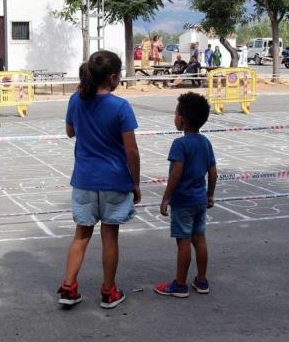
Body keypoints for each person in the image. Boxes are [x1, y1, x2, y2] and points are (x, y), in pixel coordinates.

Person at [57, 50, 141, 309]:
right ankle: (108, 291)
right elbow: (131, 150)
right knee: (109, 237)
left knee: (81, 234)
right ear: (113, 77)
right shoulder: (120, 107)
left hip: (83, 179)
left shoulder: (75, 99)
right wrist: (135, 183)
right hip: (114, 180)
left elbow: (70, 132)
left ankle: (68, 287)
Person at [154, 92, 217, 298]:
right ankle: (201, 280)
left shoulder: (180, 144)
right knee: (199, 239)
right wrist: (210, 195)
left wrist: (166, 198)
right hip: (199, 200)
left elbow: (176, 173)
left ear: (182, 119)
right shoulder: (205, 142)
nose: (174, 116)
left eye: (175, 113)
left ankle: (180, 284)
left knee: (183, 242)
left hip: (183, 202)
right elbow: (213, 173)